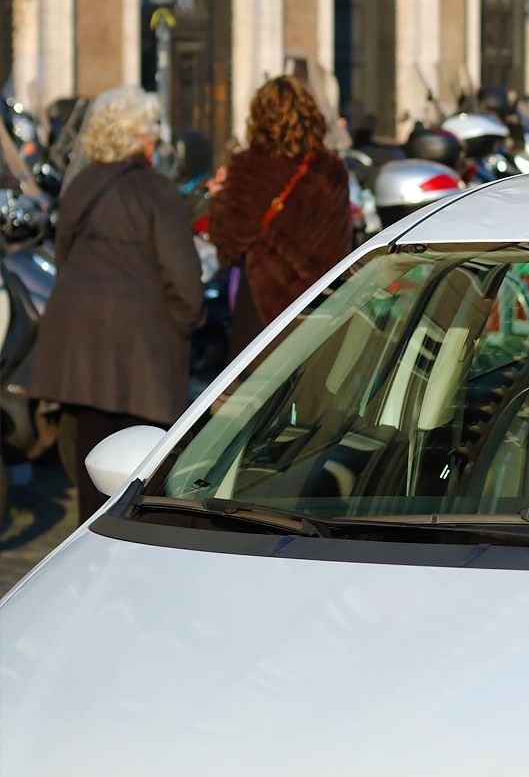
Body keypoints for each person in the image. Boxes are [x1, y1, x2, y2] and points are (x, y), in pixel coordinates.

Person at [28, 86, 202, 523]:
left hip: (80, 340)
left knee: (92, 458)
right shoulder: (156, 190)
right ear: (139, 136)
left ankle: (91, 545)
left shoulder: (79, 185)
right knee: (141, 465)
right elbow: (181, 275)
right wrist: (183, 324)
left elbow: (65, 254)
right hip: (140, 345)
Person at [208, 77, 351, 355]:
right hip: (318, 306)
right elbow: (340, 245)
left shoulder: (247, 167)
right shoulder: (332, 170)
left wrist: (219, 199)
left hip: (261, 308)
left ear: (259, 118)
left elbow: (226, 242)